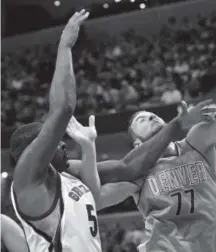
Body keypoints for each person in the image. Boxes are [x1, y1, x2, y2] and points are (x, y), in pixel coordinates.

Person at [96, 14, 216, 252]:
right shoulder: (139, 175)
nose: (151, 117)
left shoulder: (196, 143)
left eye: (153, 114)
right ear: (137, 144)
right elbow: (96, 201)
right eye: (141, 119)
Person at [9, 10, 104, 252]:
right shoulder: (27, 181)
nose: (61, 142)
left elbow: (105, 190)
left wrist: (88, 146)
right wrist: (65, 47)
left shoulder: (67, 179)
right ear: (34, 150)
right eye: (52, 140)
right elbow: (62, 109)